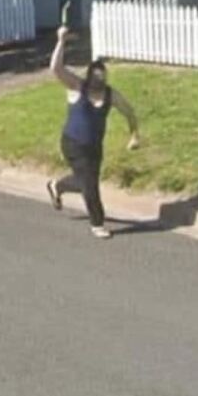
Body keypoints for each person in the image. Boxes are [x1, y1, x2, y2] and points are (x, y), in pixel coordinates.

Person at [46, 25, 140, 239]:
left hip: (94, 148)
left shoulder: (110, 95)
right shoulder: (76, 86)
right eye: (96, 77)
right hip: (73, 143)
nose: (99, 81)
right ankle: (97, 223)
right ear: (89, 76)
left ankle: (56, 186)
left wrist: (134, 134)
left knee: (85, 181)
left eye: (103, 78)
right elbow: (55, 69)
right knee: (89, 184)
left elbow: (129, 112)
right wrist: (61, 41)